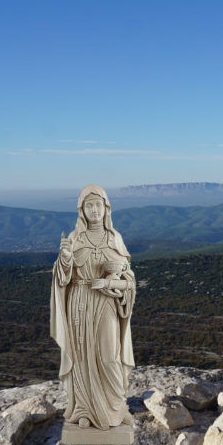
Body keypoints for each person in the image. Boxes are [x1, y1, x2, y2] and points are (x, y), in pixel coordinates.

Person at [50, 184, 136, 430]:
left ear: (106, 208)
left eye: (98, 204)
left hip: (106, 302)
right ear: (82, 210)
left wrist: (110, 281)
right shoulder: (75, 239)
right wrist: (65, 258)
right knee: (82, 357)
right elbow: (62, 279)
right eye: (89, 205)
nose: (94, 210)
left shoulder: (114, 238)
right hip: (80, 302)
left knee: (110, 356)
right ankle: (84, 410)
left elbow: (128, 279)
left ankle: (116, 408)